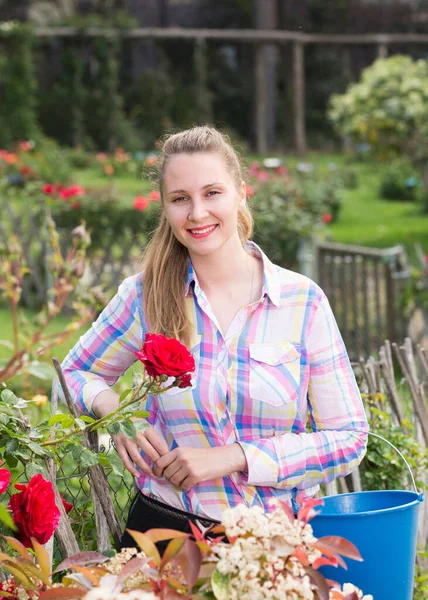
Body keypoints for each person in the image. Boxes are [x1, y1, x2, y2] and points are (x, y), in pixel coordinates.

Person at [62, 126, 368, 550]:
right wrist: (116, 413)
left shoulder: (302, 302)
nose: (197, 213)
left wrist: (236, 456)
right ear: (166, 208)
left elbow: (348, 439)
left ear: (241, 193)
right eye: (180, 199)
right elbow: (72, 373)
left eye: (212, 193)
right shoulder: (143, 296)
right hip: (165, 538)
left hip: (275, 544)